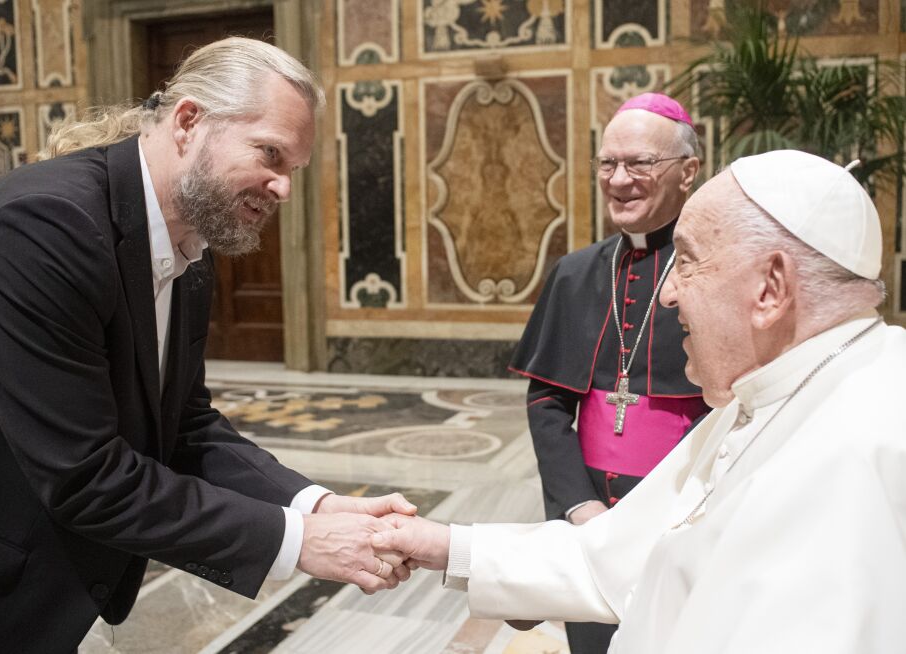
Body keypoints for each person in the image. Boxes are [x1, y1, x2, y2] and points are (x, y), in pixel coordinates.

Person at [0, 37, 414, 652]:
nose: (284, 188)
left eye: (292, 168)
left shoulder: (190, 241)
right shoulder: (41, 226)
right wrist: (298, 542)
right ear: (188, 121)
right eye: (270, 153)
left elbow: (184, 426)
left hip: (62, 585)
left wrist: (313, 506)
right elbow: (87, 477)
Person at [375, 150, 906, 653]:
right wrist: (444, 545)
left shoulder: (850, 455)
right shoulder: (772, 394)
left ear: (770, 289)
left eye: (689, 262)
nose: (668, 293)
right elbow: (619, 558)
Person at [508, 92, 708, 652]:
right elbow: (546, 403)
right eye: (607, 164)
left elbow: (729, 403)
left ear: (688, 171)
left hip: (682, 514)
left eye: (640, 163)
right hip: (588, 517)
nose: (619, 179)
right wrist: (581, 508)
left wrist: (665, 507)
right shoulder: (574, 274)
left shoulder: (715, 273)